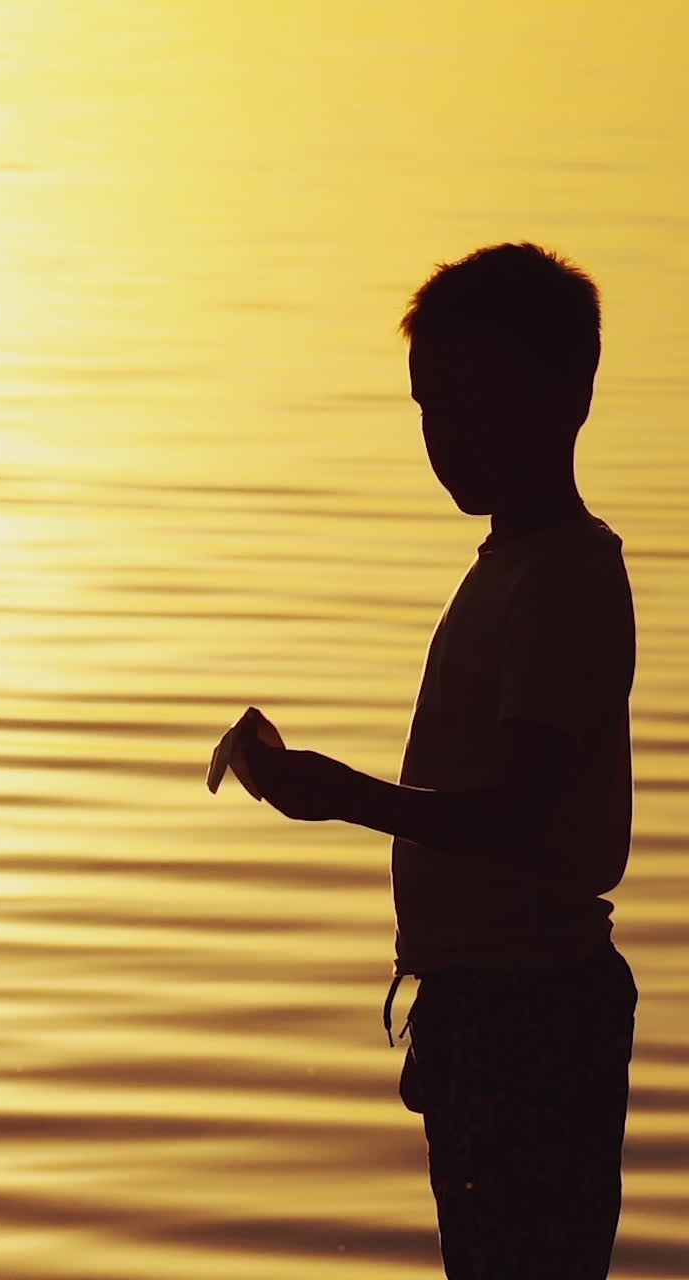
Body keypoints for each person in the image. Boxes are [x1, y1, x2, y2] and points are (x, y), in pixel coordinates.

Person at [381, 240, 639, 1278]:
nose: (448, 438)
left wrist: (342, 794)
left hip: (534, 1015)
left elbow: (518, 812)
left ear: (569, 395)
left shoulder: (564, 580)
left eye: (474, 404)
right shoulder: (514, 567)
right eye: (429, 408)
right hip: (488, 1004)